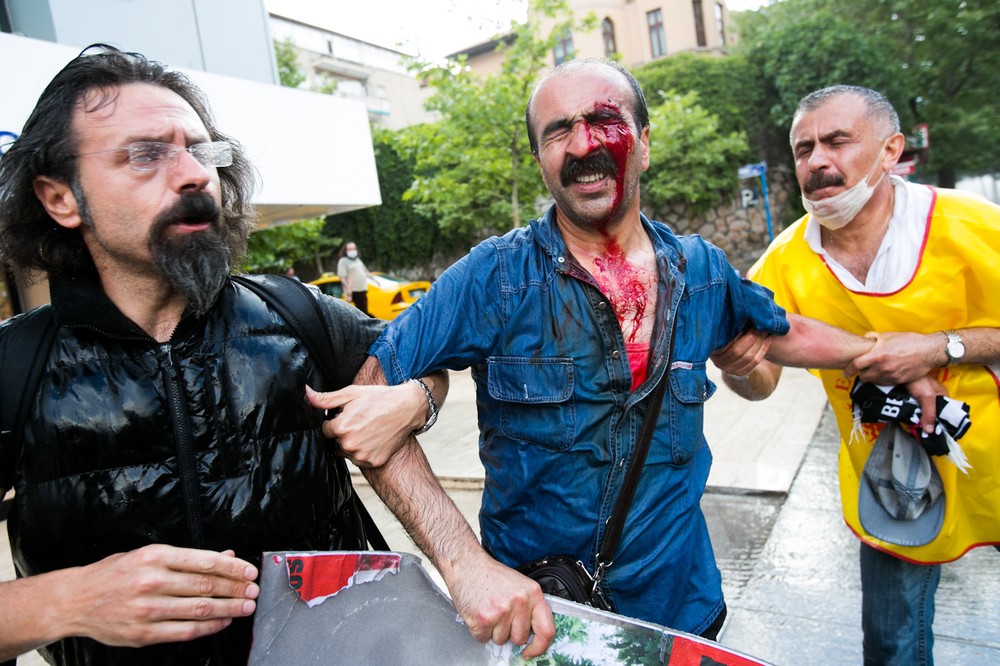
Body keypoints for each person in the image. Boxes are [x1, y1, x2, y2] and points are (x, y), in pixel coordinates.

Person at [312, 60, 915, 646]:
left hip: (683, 615)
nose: (582, 145)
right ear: (541, 161)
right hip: (544, 629)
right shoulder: (493, 277)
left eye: (604, 120)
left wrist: (894, 355)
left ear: (644, 144)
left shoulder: (702, 271)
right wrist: (463, 563)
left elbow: (788, 333)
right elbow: (365, 403)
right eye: (558, 132)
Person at [0, 45, 444, 664]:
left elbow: (423, 358)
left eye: (201, 151)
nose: (194, 175)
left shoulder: (295, 312)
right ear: (59, 199)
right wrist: (66, 601)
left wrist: (417, 399)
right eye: (146, 154)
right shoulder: (14, 366)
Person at [718, 85, 1000, 665]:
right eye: (803, 149)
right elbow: (760, 382)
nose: (817, 160)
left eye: (837, 141)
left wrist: (938, 348)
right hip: (894, 483)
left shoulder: (971, 225)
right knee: (892, 645)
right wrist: (737, 364)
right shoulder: (782, 263)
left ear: (891, 149)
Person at [336, 241, 372, 315]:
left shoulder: (357, 260)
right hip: (354, 291)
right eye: (350, 249)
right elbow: (342, 277)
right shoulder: (343, 261)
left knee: (364, 311)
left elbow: (366, 272)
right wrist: (348, 289)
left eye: (354, 249)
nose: (352, 251)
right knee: (361, 313)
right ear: (345, 251)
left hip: (362, 289)